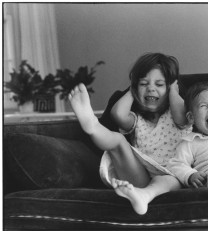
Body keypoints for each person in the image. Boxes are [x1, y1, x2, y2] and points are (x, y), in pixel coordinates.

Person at [68, 53, 191, 215]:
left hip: (171, 177)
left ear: (169, 87)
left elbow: (181, 114)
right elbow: (118, 114)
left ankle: (143, 196)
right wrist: (133, 88)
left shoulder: (176, 116)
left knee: (170, 180)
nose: (151, 88)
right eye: (144, 83)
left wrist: (174, 90)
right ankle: (92, 125)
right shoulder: (137, 120)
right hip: (139, 177)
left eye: (160, 84)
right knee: (118, 140)